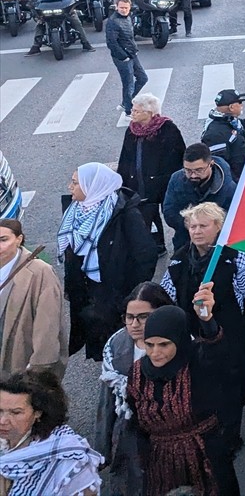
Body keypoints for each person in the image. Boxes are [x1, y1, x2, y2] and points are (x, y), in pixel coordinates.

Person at [160, 201, 245, 446]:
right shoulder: (179, 260)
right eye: (192, 226)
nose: (196, 231)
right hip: (193, 341)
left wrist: (241, 330)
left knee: (233, 390)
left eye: (203, 225)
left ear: (219, 227)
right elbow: (165, 296)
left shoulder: (237, 260)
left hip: (231, 342)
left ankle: (230, 439)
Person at [125, 293, 242, 495]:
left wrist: (206, 319)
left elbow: (216, 351)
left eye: (164, 345)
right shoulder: (137, 373)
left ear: (178, 341)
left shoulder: (197, 362)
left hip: (206, 459)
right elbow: (136, 419)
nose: (155, 353)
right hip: (161, 466)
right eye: (150, 345)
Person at [58, 163, 157, 361]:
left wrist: (131, 293)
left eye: (75, 183)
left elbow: (145, 254)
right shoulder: (75, 210)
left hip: (113, 293)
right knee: (98, 340)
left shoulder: (124, 213)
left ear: (92, 187)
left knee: (119, 346)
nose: (70, 187)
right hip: (87, 291)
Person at [94, 282, 175, 495]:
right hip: (128, 431)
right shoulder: (115, 345)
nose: (135, 324)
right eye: (129, 317)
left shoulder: (180, 343)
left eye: (144, 317)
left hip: (168, 434)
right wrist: (102, 449)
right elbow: (107, 400)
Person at [0, 369, 103, 495]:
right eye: (0, 411)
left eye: (16, 412)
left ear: (38, 412)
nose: (3, 420)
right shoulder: (4, 444)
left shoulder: (68, 456)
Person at [117, 92, 186, 255]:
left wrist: (172, 180)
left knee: (174, 215)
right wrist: (122, 179)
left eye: (136, 111)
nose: (132, 113)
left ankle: (184, 244)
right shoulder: (132, 130)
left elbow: (179, 156)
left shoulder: (168, 129)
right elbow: (125, 156)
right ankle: (157, 245)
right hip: (138, 182)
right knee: (148, 214)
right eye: (133, 110)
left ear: (149, 113)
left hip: (163, 183)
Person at [0, 219, 68, 379]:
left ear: (19, 239)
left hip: (20, 366)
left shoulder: (40, 273)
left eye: (3, 240)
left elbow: (48, 326)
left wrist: (38, 369)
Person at [162, 143, 237, 252]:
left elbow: (233, 218)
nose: (193, 175)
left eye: (198, 170)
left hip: (217, 245)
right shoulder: (176, 179)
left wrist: (207, 227)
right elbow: (169, 212)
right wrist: (191, 225)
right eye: (187, 170)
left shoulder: (228, 188)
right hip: (184, 242)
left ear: (211, 164)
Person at [200, 88, 245, 180]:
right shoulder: (215, 134)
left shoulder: (227, 119)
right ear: (231, 107)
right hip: (240, 180)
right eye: (239, 103)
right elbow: (220, 166)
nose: (242, 105)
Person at [106, 0, 147, 116]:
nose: (123, 10)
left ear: (129, 8)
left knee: (143, 78)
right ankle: (129, 111)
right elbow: (112, 42)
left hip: (132, 53)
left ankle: (126, 102)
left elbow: (129, 37)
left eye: (126, 8)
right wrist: (123, 56)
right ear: (116, 7)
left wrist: (134, 50)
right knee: (128, 83)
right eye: (121, 8)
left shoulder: (128, 17)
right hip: (122, 57)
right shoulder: (113, 22)